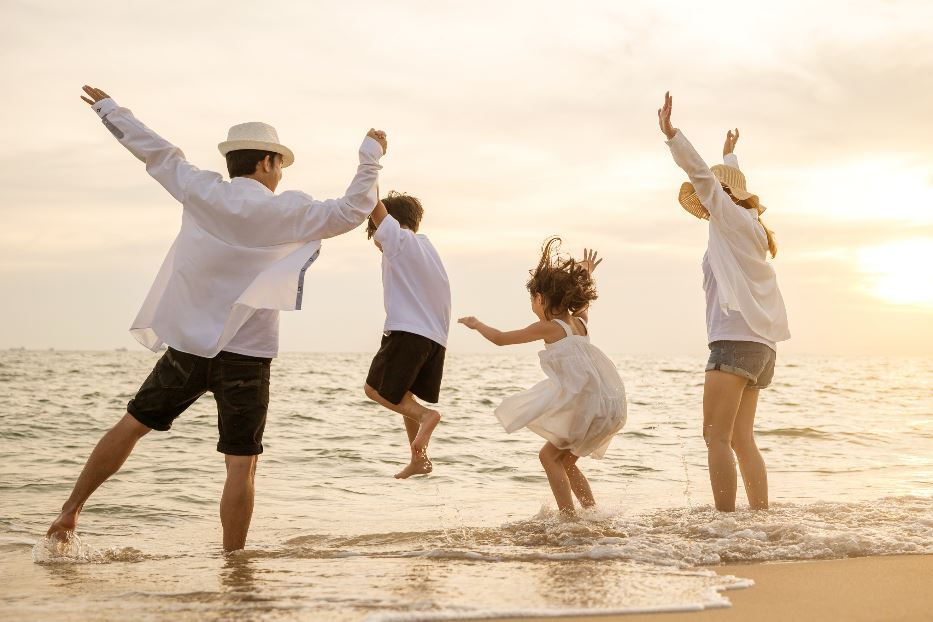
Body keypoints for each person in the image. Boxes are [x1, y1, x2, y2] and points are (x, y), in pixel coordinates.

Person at [46, 85, 387, 551]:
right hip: (247, 356)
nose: (282, 174)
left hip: (189, 347)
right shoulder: (289, 211)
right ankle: (234, 562)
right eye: (280, 165)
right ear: (266, 162)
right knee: (241, 463)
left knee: (132, 425)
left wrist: (110, 109)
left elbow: (156, 153)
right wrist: (370, 156)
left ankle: (70, 512)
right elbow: (352, 210)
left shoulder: (201, 189)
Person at [657, 91, 790, 512]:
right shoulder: (750, 226)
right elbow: (721, 183)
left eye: (713, 196)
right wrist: (730, 157)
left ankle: (725, 525)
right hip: (761, 349)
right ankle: (760, 521)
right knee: (740, 438)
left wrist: (672, 135)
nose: (707, 204)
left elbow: (702, 176)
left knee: (715, 437)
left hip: (732, 342)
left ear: (722, 197)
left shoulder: (729, 218)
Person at [458, 238, 627, 515]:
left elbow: (501, 339)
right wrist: (586, 275)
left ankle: (569, 518)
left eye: (533, 299)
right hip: (607, 405)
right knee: (566, 462)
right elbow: (584, 307)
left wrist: (477, 325)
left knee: (548, 457)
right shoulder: (580, 323)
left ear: (542, 299)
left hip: (586, 405)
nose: (533, 305)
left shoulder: (549, 327)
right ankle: (592, 513)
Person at [363, 191, 451, 479]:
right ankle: (419, 459)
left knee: (374, 389)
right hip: (435, 339)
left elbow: (372, 200)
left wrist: (372, 155)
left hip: (408, 332)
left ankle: (427, 416)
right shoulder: (426, 247)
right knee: (405, 395)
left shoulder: (397, 241)